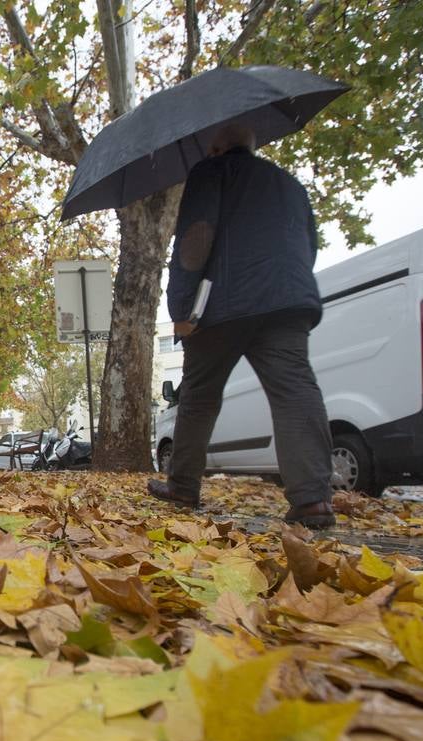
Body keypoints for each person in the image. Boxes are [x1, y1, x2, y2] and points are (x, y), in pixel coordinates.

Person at [146, 123, 335, 528]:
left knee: (198, 396)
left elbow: (196, 239)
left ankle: (183, 485)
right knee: (295, 391)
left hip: (221, 305)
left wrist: (181, 309)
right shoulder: (290, 185)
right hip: (285, 300)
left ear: (215, 144)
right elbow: (308, 244)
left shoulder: (210, 173)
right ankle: (312, 499)